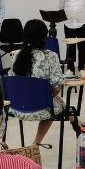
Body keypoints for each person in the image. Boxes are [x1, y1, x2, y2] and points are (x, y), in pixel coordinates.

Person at [10, 19, 66, 147]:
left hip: (17, 108)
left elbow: (13, 83)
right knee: (58, 104)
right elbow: (57, 88)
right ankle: (36, 143)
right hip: (41, 108)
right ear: (44, 36)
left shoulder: (17, 55)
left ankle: (76, 125)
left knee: (58, 101)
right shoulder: (51, 56)